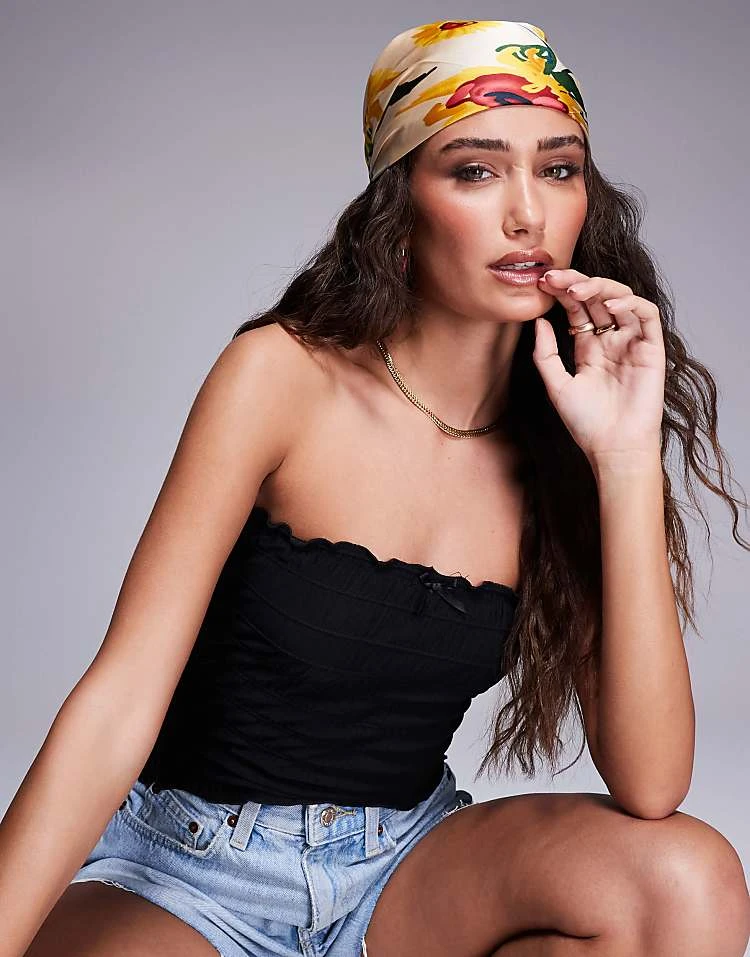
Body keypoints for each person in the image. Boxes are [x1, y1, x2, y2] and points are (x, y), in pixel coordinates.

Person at [3, 18, 749, 957]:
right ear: (400, 201)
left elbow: (652, 783)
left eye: (558, 168)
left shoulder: (566, 434)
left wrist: (627, 458)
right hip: (187, 873)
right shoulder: (280, 377)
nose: (527, 212)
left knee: (689, 882)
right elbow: (119, 700)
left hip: (400, 869)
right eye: (475, 171)